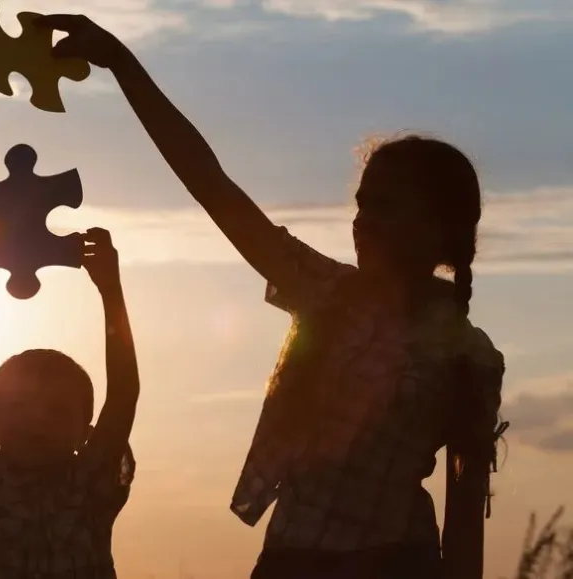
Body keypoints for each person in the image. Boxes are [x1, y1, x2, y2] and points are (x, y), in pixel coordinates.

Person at [32, 16, 508, 579]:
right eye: (362, 203)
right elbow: (212, 186)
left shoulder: (469, 357)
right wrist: (123, 64)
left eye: (386, 206)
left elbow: (464, 507)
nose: (363, 221)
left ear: (440, 230)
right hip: (292, 559)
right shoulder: (325, 291)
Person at [0, 220, 140, 578]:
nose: (38, 421)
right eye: (18, 407)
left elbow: (124, 394)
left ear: (86, 432)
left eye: (59, 411)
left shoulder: (90, 485)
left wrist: (111, 289)